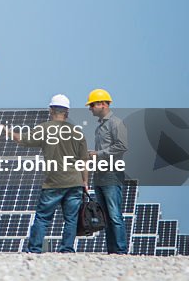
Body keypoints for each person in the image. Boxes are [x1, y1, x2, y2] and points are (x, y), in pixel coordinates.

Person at [8, 94, 90, 253]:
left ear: (50, 110)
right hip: (75, 182)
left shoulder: (44, 128)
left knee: (43, 218)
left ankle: (34, 249)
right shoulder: (78, 133)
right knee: (71, 219)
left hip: (53, 183)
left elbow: (22, 140)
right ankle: (67, 250)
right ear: (67, 112)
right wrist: (85, 182)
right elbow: (84, 161)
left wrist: (8, 132)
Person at [86, 88, 128, 254]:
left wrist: (99, 154)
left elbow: (122, 146)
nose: (90, 108)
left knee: (115, 215)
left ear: (103, 104)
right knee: (106, 217)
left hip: (111, 175)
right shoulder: (99, 128)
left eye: (92, 105)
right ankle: (112, 251)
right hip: (100, 175)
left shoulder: (116, 123)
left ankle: (120, 250)